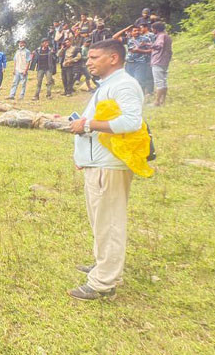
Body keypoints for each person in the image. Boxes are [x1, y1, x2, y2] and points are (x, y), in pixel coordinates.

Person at [67, 38, 144, 301]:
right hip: (97, 164)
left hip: (109, 167)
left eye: (94, 57)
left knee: (109, 223)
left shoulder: (123, 85)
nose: (88, 62)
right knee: (100, 221)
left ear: (113, 58)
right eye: (88, 58)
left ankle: (104, 283)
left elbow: (131, 122)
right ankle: (104, 265)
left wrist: (87, 125)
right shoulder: (108, 86)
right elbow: (98, 122)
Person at [150, 21, 173, 106]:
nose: (152, 30)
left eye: (152, 29)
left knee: (159, 82)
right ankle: (162, 101)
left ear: (156, 29)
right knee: (164, 81)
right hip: (165, 61)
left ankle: (156, 101)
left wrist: (150, 45)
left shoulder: (161, 36)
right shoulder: (167, 36)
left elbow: (159, 46)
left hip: (158, 61)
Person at [124, 26, 153, 95]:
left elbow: (152, 50)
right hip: (129, 63)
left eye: (138, 30)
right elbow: (115, 37)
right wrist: (126, 28)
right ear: (131, 32)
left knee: (140, 81)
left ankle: (141, 96)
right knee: (129, 81)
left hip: (140, 63)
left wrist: (140, 51)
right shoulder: (128, 39)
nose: (137, 32)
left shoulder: (145, 39)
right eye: (134, 31)